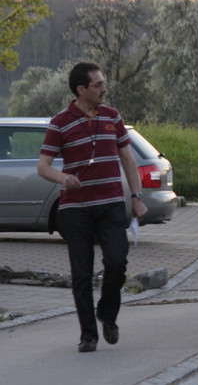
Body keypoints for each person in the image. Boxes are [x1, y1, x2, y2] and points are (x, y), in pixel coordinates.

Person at [37, 62, 149, 353]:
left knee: (117, 262)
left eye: (103, 83)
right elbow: (43, 166)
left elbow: (128, 159)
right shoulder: (60, 122)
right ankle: (88, 335)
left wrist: (137, 197)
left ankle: (107, 315)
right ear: (81, 89)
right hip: (76, 210)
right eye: (98, 85)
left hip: (111, 205)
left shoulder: (112, 116)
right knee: (82, 273)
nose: (104, 89)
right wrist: (62, 178)